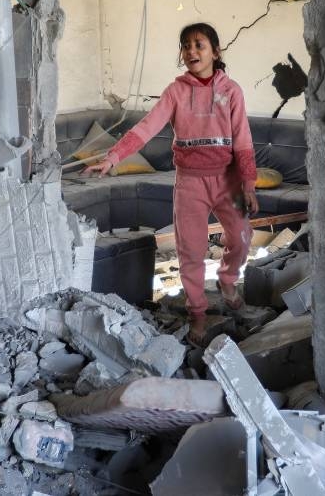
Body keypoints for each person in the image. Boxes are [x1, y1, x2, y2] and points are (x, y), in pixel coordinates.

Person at [85, 22, 258, 344]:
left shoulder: (231, 90)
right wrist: (112, 158)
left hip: (227, 181)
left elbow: (244, 141)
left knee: (242, 237)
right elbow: (146, 128)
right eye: (186, 45)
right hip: (190, 183)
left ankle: (228, 280)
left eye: (199, 45)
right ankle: (198, 314)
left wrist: (248, 184)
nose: (191, 51)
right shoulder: (176, 91)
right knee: (190, 250)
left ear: (215, 51)